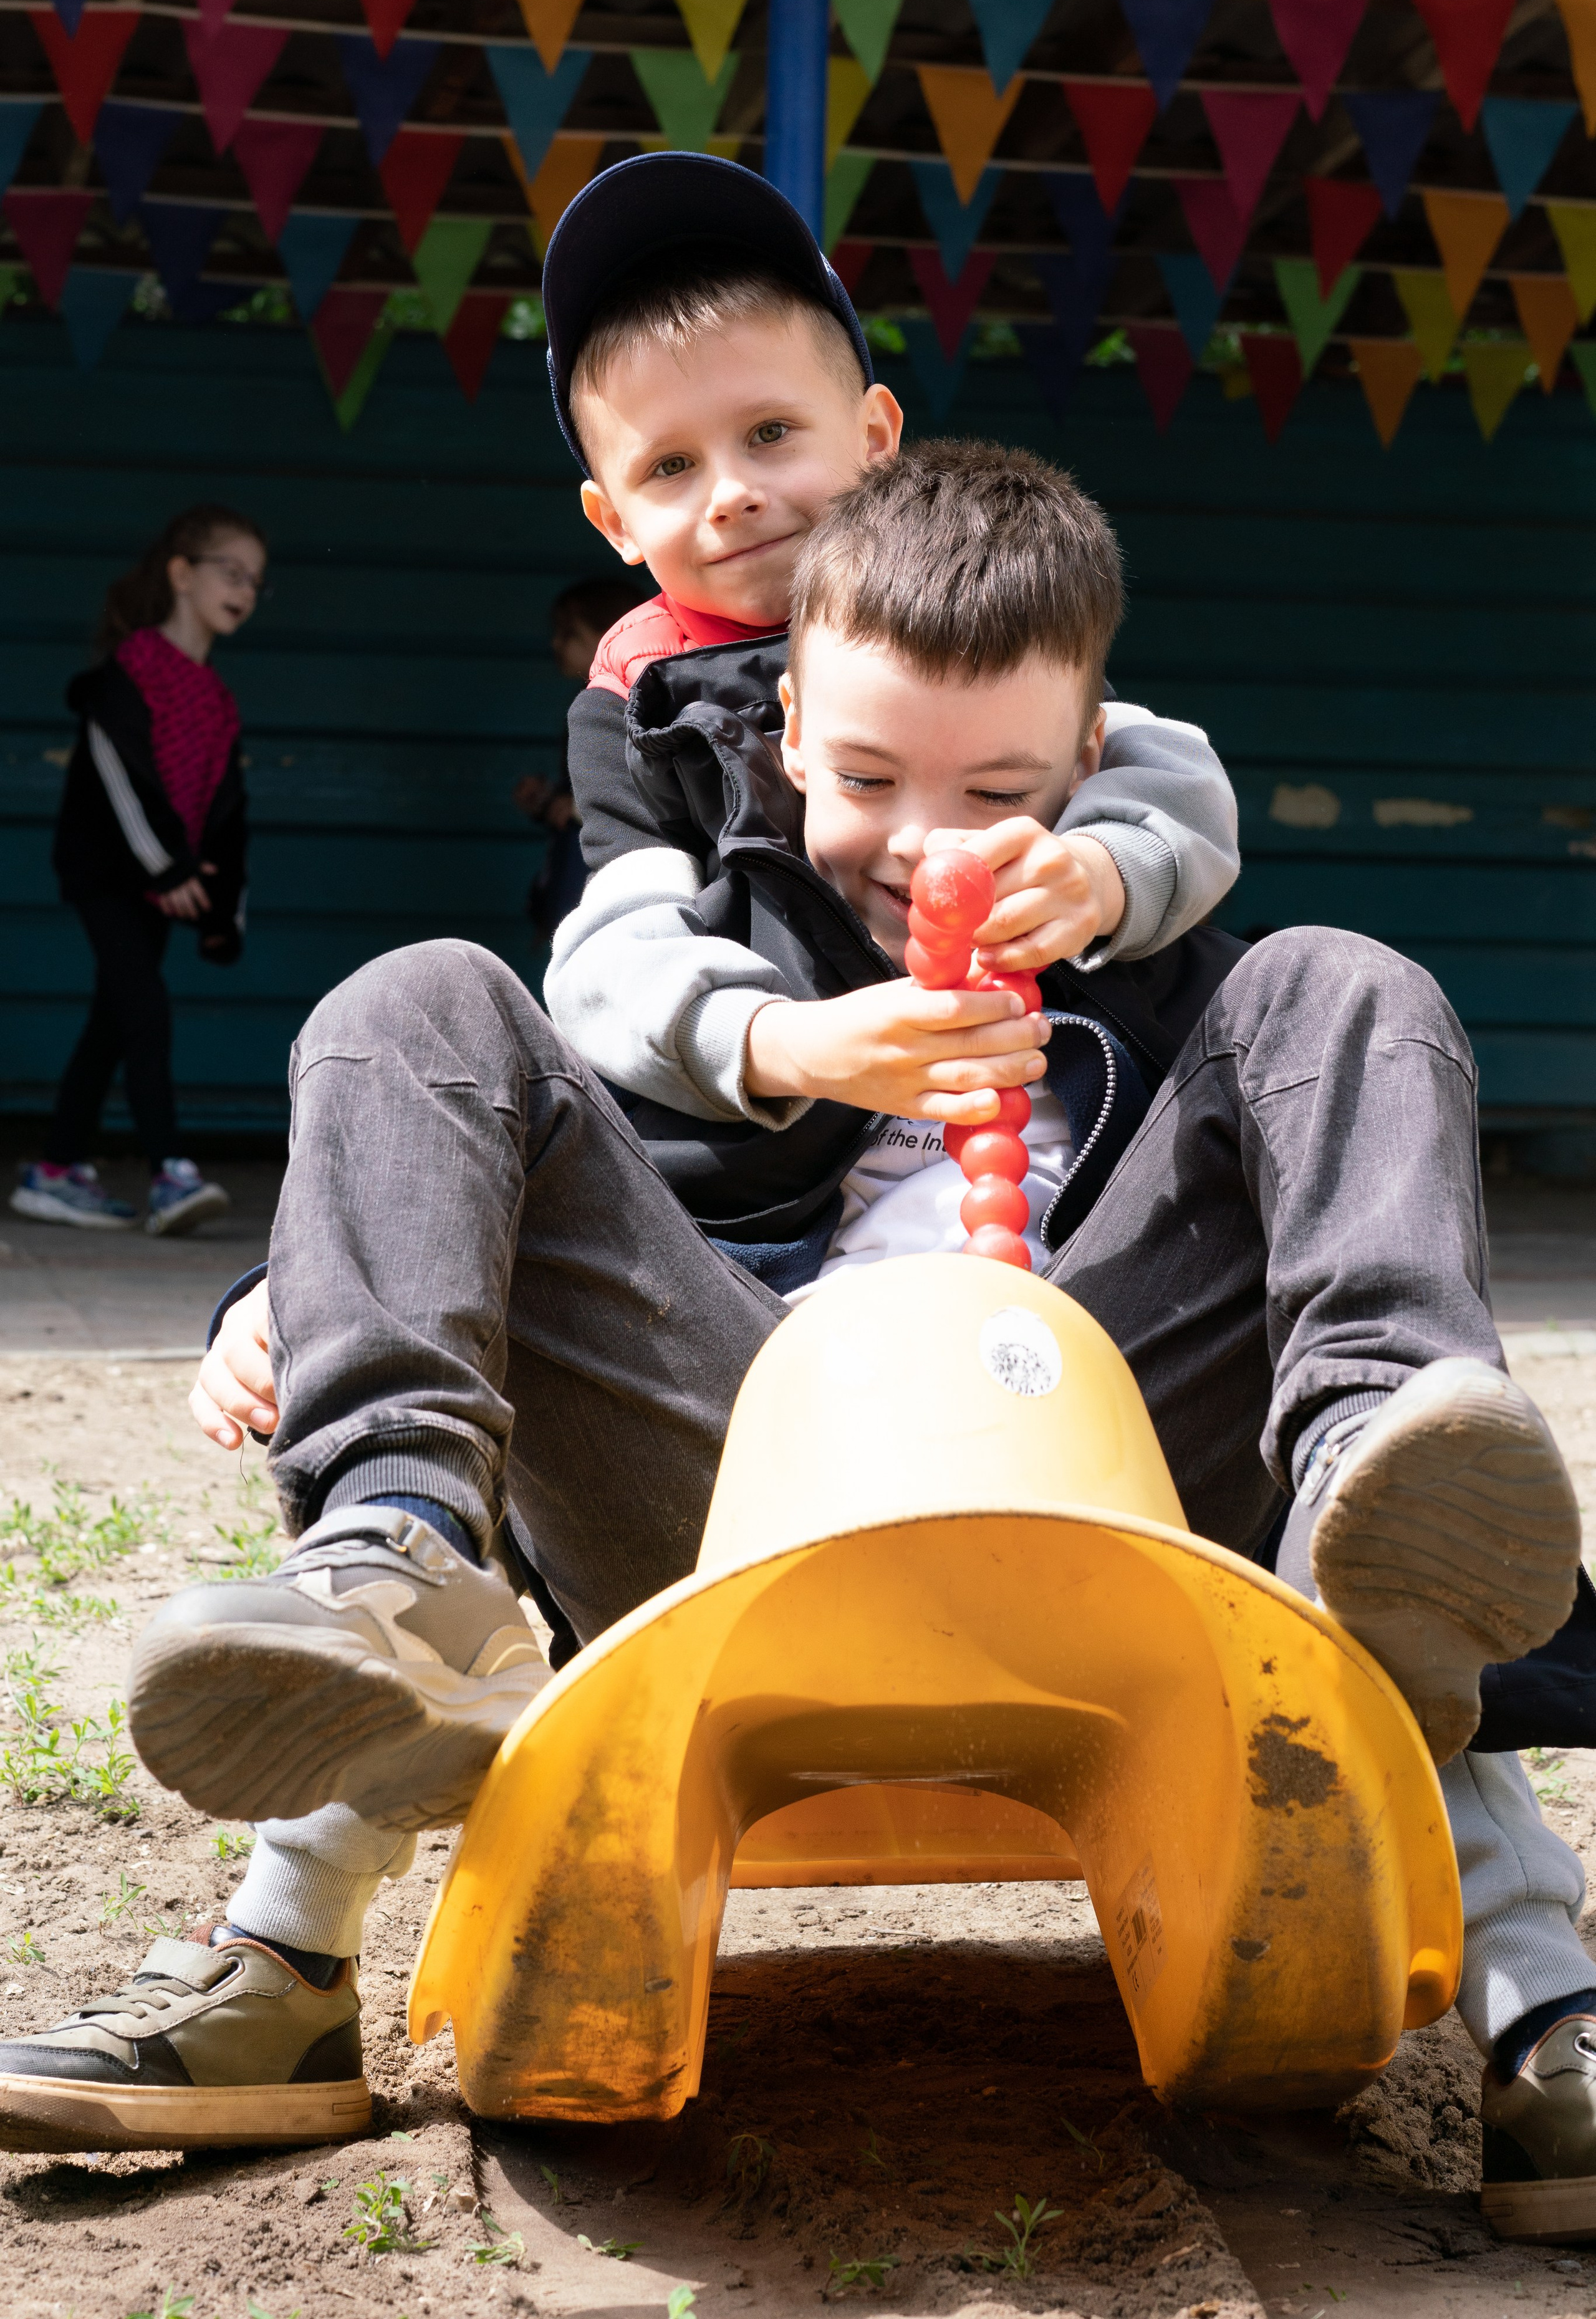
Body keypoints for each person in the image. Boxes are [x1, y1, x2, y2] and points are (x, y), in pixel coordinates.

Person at [0, 443, 1592, 2245]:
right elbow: (474, 1143)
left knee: (1352, 988)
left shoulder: (1163, 953)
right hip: (725, 1471)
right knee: (414, 998)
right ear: (785, 741)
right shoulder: (699, 946)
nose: (926, 836)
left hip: (1124, 1479)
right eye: (867, 778)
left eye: (998, 785)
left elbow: (1224, 925)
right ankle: (317, 1821)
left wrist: (1118, 898)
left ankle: (1536, 1983)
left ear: (1093, 760)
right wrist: (292, 1288)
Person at [10, 506, 259, 1237]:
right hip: (109, 874)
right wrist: (168, 865)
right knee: (144, 1008)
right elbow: (121, 784)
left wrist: (222, 909)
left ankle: (56, 1169)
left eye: (256, 581)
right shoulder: (129, 673)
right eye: (231, 572)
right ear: (181, 574)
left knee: (113, 1019)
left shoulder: (216, 698)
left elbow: (226, 808)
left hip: (164, 882)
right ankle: (171, 1172)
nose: (245, 590)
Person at [512, 578, 634, 941]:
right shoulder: (589, 700)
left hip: (613, 885)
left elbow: (644, 796)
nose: (556, 644)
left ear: (608, 635)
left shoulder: (630, 703)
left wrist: (574, 808)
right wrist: (552, 803)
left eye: (569, 633)